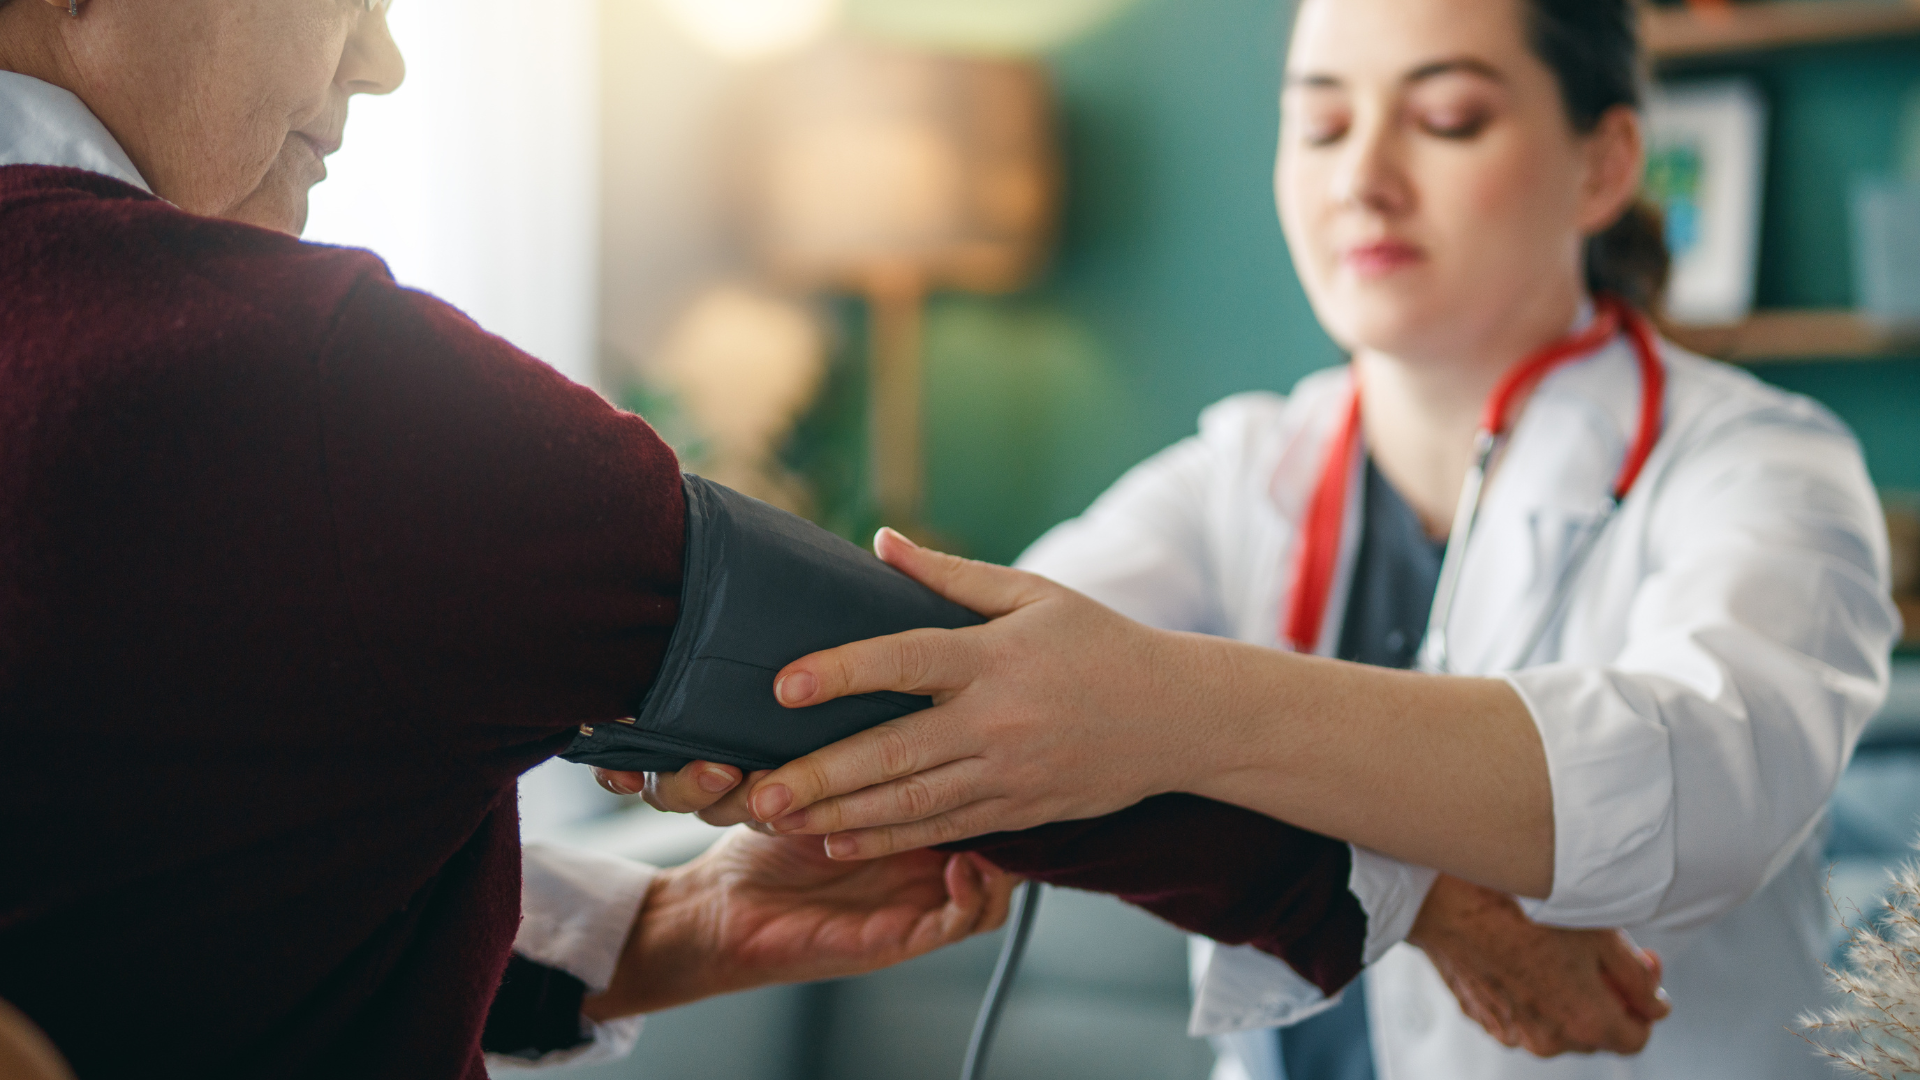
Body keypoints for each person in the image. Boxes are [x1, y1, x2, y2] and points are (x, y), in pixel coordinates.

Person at [0, 0, 1655, 1074]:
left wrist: (661, 936)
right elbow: (916, 685)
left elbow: (192, 921)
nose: (379, 60)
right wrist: (1420, 898)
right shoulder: (297, 374)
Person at [635, 0, 1901, 1076]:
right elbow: (976, 676)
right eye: (1322, 120)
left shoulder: (1763, 464)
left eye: (1449, 116)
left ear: (1606, 163)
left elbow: (1709, 784)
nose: (1364, 176)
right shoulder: (1246, 468)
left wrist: (1173, 711)